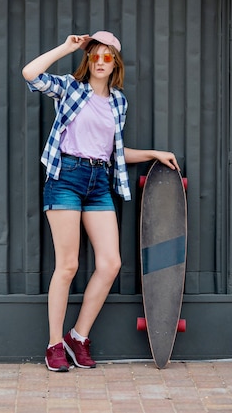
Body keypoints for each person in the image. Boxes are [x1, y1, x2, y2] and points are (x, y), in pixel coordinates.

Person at [22, 31, 180, 372]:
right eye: (96, 55)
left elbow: (115, 153)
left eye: (108, 56)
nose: (101, 61)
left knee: (110, 264)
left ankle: (77, 337)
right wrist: (66, 47)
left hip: (98, 183)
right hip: (66, 177)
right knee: (68, 266)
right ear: (89, 60)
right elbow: (30, 74)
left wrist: (154, 153)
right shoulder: (70, 89)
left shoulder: (118, 103)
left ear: (115, 64)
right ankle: (53, 345)